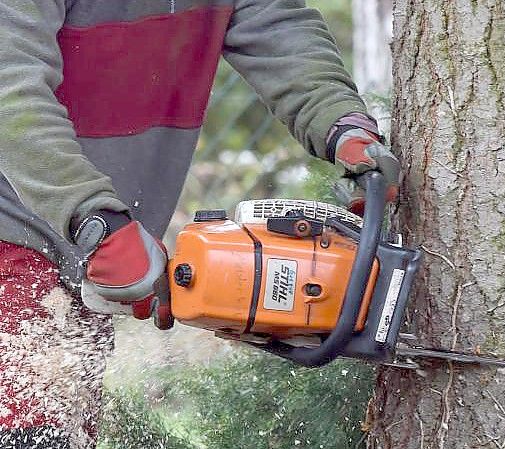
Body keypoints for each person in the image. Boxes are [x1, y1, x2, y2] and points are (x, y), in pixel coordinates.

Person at [0, 1, 400, 447]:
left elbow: (275, 22)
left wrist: (339, 123)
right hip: (21, 219)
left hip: (87, 229)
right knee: (32, 422)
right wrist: (95, 221)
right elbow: (9, 88)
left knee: (64, 419)